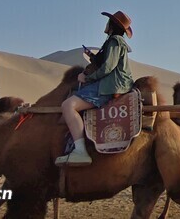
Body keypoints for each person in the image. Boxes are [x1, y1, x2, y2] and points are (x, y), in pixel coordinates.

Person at [55, 11, 134, 167]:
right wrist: (92, 56)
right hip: (115, 82)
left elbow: (108, 67)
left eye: (109, 21)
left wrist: (87, 78)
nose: (106, 24)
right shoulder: (114, 42)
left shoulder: (114, 41)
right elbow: (105, 62)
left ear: (112, 25)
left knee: (68, 105)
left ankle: (80, 151)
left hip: (113, 84)